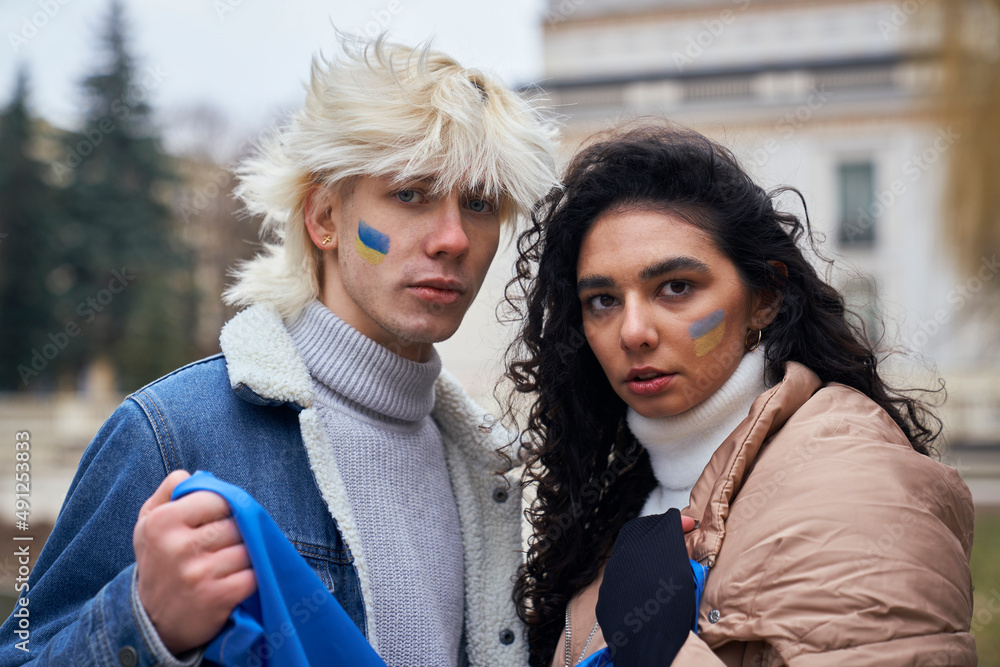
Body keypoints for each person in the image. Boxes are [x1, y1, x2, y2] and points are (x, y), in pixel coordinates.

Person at [0, 37, 558, 667]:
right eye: (411, 193)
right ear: (324, 217)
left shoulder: (485, 466)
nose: (453, 238)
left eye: (479, 204)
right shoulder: (169, 434)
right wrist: (147, 625)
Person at [504, 123, 976, 666]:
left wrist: (661, 652)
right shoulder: (619, 494)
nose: (632, 332)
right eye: (603, 300)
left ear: (764, 298)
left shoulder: (856, 489)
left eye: (676, 287)